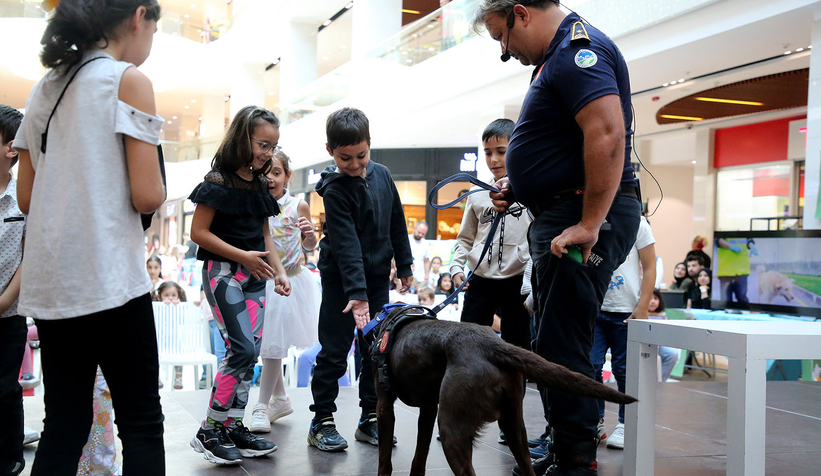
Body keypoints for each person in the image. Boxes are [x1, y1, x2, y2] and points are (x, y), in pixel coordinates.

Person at [475, 2, 642, 475]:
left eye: (501, 38)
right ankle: (568, 447)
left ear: (521, 13)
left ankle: (576, 460)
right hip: (564, 210)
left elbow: (608, 134)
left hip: (582, 216)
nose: (505, 51)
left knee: (563, 344)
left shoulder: (576, 53)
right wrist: (524, 186)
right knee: (550, 343)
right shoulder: (559, 56)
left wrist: (589, 223)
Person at [13, 1, 169, 474]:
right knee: (141, 421)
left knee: (64, 423)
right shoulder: (128, 81)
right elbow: (147, 195)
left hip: (55, 286)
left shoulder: (47, 85)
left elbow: (25, 199)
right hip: (110, 280)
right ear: (139, 16)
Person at [187, 106, 291, 465]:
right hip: (222, 273)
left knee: (251, 354)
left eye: (272, 146)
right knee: (241, 349)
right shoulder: (217, 180)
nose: (267, 153)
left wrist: (278, 271)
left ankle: (233, 425)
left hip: (254, 276)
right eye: (263, 144)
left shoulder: (261, 184)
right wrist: (243, 257)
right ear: (243, 138)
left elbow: (265, 234)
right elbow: (197, 233)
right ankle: (210, 428)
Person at [308, 107, 413, 452]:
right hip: (341, 282)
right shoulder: (335, 189)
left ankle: (371, 417)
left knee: (375, 351)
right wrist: (357, 294)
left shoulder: (381, 174)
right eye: (344, 157)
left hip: (376, 279)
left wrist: (406, 265)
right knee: (335, 352)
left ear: (370, 145)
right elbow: (346, 244)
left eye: (361, 155)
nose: (354, 165)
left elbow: (397, 221)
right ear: (330, 151)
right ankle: (321, 420)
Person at [250, 149, 320, 434]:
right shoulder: (257, 203)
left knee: (272, 347)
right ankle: (280, 397)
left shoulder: (297, 204)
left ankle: (261, 405)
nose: (270, 179)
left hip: (289, 282)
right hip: (262, 280)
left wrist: (309, 234)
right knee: (270, 346)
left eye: (276, 173)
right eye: (265, 173)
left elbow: (310, 245)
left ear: (288, 176)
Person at [451, 118, 531, 355]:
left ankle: (512, 393)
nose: (493, 159)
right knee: (467, 347)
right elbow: (465, 237)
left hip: (517, 281)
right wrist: (456, 268)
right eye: (487, 153)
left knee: (516, 350)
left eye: (501, 151)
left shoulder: (531, 192)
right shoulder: (476, 193)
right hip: (480, 280)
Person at [590, 217, 656, 451]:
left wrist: (643, 305)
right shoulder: (592, 216)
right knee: (591, 366)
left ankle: (626, 423)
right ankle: (594, 421)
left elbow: (649, 266)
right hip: (595, 309)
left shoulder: (637, 223)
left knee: (625, 370)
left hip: (626, 313)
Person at [0, 104, 28, 476]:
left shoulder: (23, 196)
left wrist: (5, 299)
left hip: (8, 313)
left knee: (5, 387)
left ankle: (9, 458)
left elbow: (31, 252)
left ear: (11, 149)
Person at [647, 289, 680, 383]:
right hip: (645, 345)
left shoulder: (662, 315)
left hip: (659, 345)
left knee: (673, 354)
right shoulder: (641, 313)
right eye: (649, 298)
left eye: (656, 298)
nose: (653, 301)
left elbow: (666, 331)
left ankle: (660, 380)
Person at [408, 221, 431, 287]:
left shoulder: (426, 244)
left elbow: (427, 261)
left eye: (423, 234)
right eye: (419, 232)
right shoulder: (406, 239)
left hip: (420, 278)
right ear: (414, 229)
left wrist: (426, 276)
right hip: (406, 276)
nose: (420, 235)